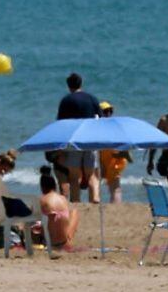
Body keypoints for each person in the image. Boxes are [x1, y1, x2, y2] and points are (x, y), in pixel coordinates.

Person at [56, 72, 101, 203]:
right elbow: (100, 119)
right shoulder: (92, 99)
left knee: (74, 177)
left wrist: (60, 148)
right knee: (91, 174)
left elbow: (61, 125)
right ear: (81, 84)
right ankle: (95, 199)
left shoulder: (66, 101)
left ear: (68, 86)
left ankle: (76, 203)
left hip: (73, 141)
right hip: (90, 140)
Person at [38, 166, 80, 250]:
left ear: (42, 187)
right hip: (63, 241)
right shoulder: (63, 199)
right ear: (54, 185)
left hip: (49, 242)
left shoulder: (41, 200)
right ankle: (68, 239)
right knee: (74, 212)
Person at [98, 101, 130, 204]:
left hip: (115, 159)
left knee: (115, 187)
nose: (108, 114)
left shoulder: (103, 126)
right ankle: (113, 205)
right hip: (107, 159)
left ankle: (115, 206)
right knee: (112, 187)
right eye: (106, 111)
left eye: (109, 111)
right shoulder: (109, 125)